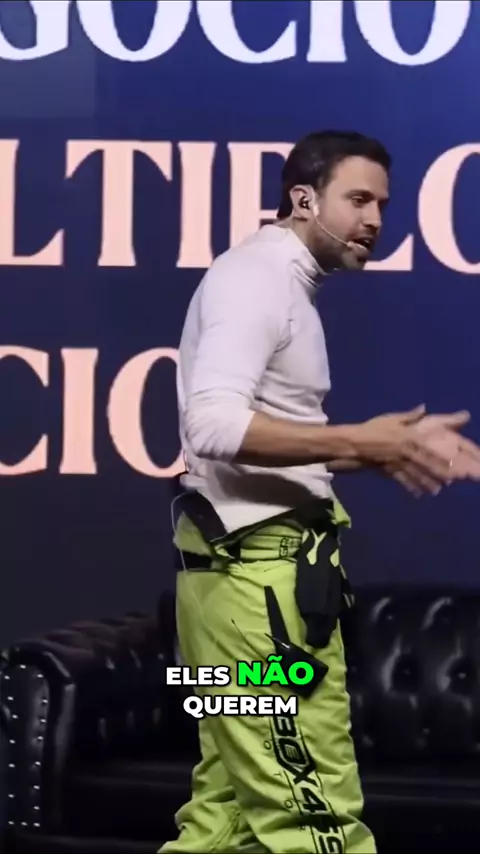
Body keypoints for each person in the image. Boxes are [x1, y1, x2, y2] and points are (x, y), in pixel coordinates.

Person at [160, 131, 480, 854]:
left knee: (226, 821)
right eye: (358, 199)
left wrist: (376, 451)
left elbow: (259, 436)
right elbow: (212, 425)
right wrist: (361, 442)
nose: (374, 220)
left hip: (253, 587)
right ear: (303, 199)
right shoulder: (257, 278)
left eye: (383, 205)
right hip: (257, 593)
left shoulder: (281, 283)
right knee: (314, 822)